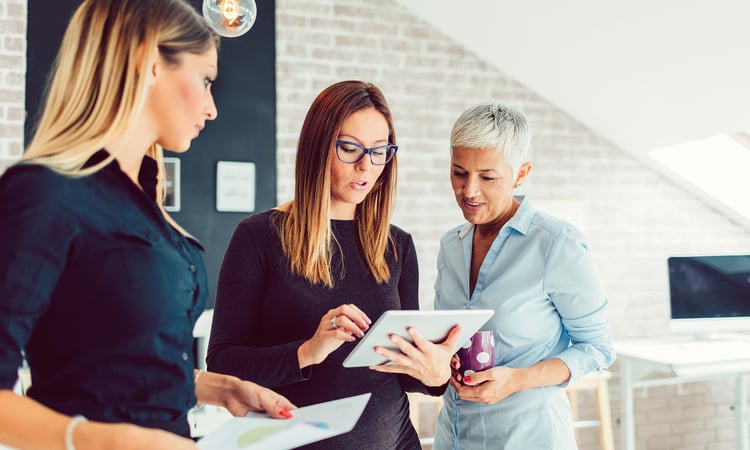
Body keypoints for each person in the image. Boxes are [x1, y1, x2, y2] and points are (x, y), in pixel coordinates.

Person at [0, 1, 295, 449]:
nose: (213, 108)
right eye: (206, 79)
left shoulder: (145, 203)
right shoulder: (43, 193)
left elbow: (120, 360)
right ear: (150, 60)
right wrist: (103, 441)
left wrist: (220, 388)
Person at [207, 80, 461, 449]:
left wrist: (436, 374)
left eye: (379, 152)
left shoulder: (397, 245)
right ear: (318, 146)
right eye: (349, 148)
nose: (365, 166)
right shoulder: (258, 237)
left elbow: (404, 375)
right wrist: (306, 352)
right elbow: (223, 364)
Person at [432, 102, 616, 449]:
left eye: (487, 177)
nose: (469, 190)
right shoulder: (451, 246)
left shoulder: (556, 244)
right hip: (454, 437)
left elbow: (597, 349)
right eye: (459, 172)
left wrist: (517, 379)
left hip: (529, 438)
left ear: (520, 174)